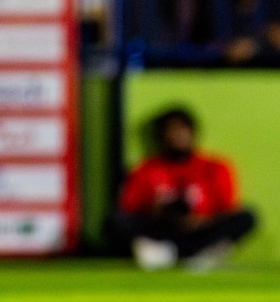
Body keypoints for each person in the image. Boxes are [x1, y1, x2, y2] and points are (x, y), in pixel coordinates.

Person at [108, 107, 258, 271]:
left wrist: (199, 220)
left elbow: (228, 207)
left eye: (181, 130)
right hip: (162, 229)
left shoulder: (215, 167)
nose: (177, 136)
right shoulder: (145, 170)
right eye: (170, 131)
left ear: (193, 133)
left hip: (202, 229)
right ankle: (174, 252)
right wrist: (157, 211)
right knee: (116, 221)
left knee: (246, 217)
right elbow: (128, 210)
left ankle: (195, 253)